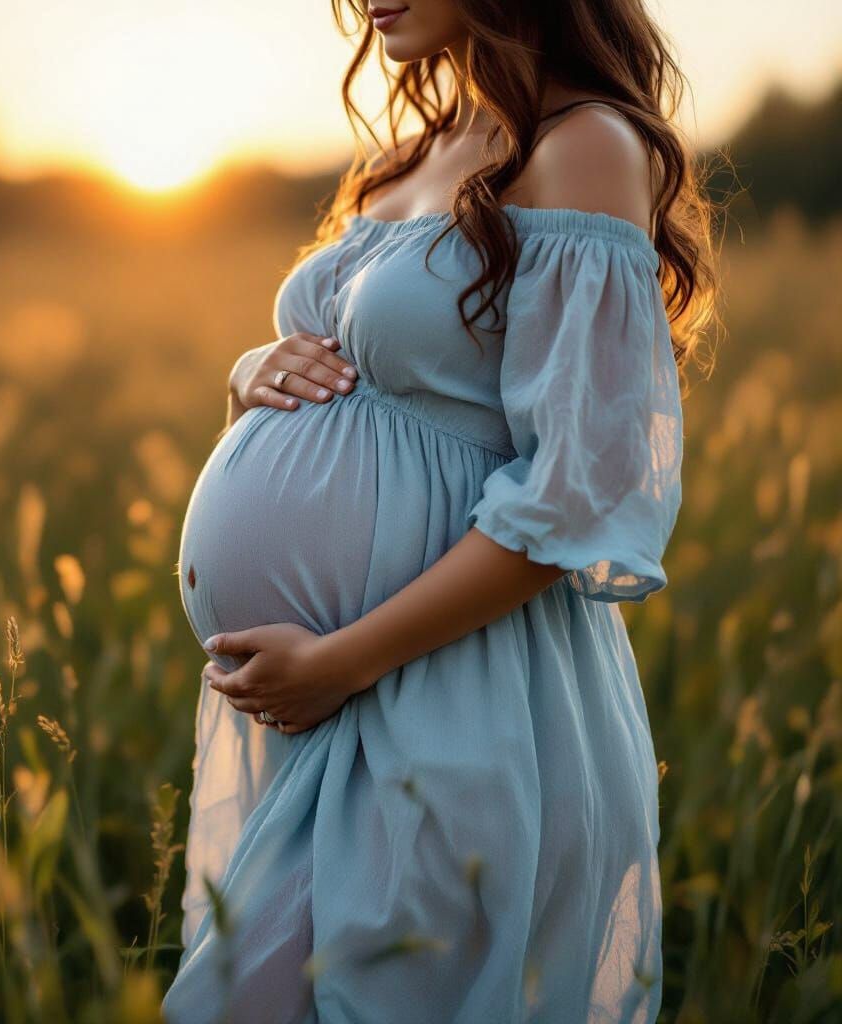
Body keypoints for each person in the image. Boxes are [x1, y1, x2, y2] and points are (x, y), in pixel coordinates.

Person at [163, 1, 718, 1021]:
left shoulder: (584, 145)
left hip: (455, 688)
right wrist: (251, 373)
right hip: (327, 703)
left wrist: (346, 660)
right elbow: (366, 369)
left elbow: (576, 492)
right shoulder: (413, 153)